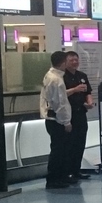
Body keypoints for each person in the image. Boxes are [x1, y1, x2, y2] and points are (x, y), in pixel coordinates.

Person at [39, 51, 73, 191]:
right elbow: (60, 103)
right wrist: (66, 121)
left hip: (52, 118)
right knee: (59, 150)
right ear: (63, 63)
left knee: (59, 149)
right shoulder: (57, 80)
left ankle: (59, 177)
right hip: (57, 120)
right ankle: (54, 179)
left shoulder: (49, 76)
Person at [64, 51, 94, 183]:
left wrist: (90, 102)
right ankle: (67, 172)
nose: (74, 62)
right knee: (69, 143)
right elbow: (60, 94)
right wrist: (75, 89)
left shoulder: (82, 76)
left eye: (76, 60)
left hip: (81, 113)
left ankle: (76, 170)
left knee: (80, 142)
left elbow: (88, 92)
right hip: (68, 114)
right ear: (65, 62)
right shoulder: (62, 77)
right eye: (71, 60)